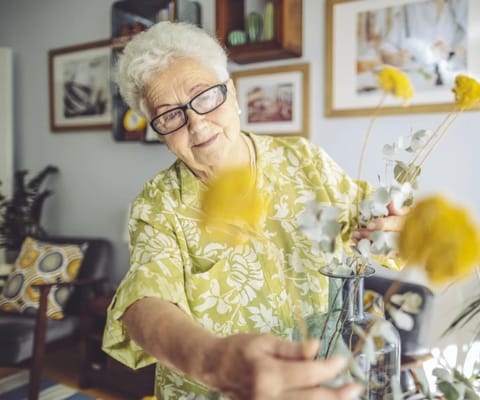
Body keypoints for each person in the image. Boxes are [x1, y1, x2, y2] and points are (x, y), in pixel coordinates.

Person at [102, 21, 405, 400]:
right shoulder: (158, 203)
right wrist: (213, 360)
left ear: (231, 91)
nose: (196, 123)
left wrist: (394, 229)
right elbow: (143, 301)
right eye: (169, 115)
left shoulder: (303, 159)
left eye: (205, 96)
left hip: (316, 380)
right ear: (159, 132)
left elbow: (373, 225)